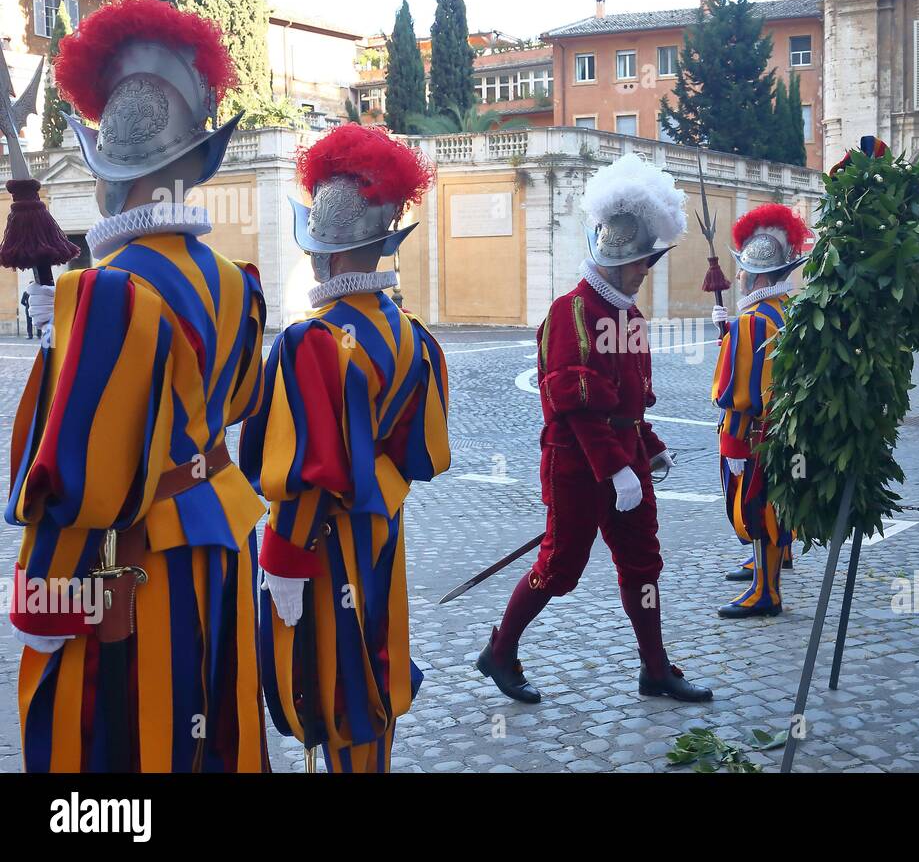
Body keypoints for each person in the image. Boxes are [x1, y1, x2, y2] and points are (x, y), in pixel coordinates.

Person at [6, 0, 269, 772]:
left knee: (124, 750)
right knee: (211, 728)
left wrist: (45, 599)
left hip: (133, 562)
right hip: (222, 541)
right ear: (196, 164)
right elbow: (243, 404)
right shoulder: (237, 284)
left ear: (105, 173)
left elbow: (78, 478)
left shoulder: (107, 290)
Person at [239, 123, 450, 773]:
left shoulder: (311, 341)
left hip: (323, 549)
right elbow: (425, 454)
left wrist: (281, 558)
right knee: (373, 679)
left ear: (320, 252)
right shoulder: (416, 337)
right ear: (384, 242)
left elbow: (304, 472)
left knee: (330, 689)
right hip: (384, 536)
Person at [476, 154, 711, 704]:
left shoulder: (628, 315)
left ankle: (655, 668)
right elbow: (573, 402)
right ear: (613, 257)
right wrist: (616, 469)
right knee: (560, 567)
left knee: (642, 562)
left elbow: (629, 402)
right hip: (577, 464)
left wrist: (646, 446)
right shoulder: (571, 312)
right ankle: (500, 650)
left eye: (649, 261)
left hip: (623, 459)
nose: (645, 270)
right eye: (640, 262)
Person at [710, 204, 810, 619]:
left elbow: (739, 391)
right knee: (776, 503)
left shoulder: (752, 320)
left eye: (742, 270)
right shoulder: (786, 309)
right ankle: (775, 559)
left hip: (755, 433)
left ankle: (765, 591)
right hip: (785, 429)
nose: (737, 277)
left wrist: (731, 440)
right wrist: (726, 333)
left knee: (756, 506)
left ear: (756, 274)